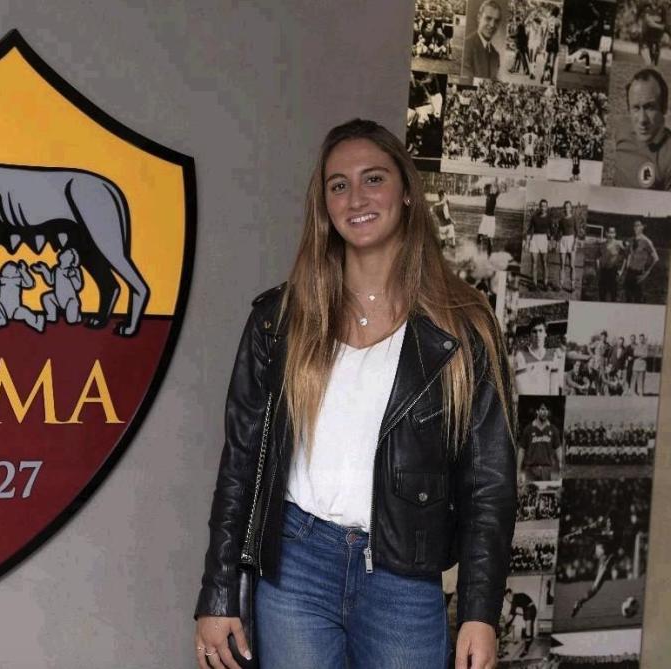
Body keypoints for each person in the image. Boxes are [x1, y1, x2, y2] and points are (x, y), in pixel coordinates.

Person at [194, 120, 517, 669]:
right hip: (295, 569)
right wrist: (219, 591)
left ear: (406, 192)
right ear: (324, 205)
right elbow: (240, 464)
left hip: (403, 579)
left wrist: (479, 613)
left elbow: (490, 483)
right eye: (338, 185)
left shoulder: (464, 326)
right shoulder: (280, 319)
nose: (356, 198)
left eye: (374, 179)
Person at [612, 68, 671, 191]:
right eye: (636, 108)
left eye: (650, 107)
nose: (642, 119)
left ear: (664, 108)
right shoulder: (622, 129)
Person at [513, 316, 563, 395]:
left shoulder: (553, 355)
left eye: (540, 331)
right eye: (534, 331)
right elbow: (522, 389)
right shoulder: (521, 355)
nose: (537, 335)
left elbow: (554, 388)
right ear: (530, 335)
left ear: (545, 333)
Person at [517, 402, 562, 482]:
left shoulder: (553, 429)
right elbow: (522, 450)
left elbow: (558, 449)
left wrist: (562, 467)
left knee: (546, 490)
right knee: (529, 490)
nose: (544, 412)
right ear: (537, 411)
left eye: (547, 410)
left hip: (546, 470)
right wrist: (518, 471)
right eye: (542, 409)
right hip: (530, 470)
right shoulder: (528, 429)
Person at [464, 0, 504, 80]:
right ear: (479, 17)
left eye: (496, 21)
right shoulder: (466, 46)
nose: (492, 25)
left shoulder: (495, 55)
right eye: (488, 18)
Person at [623, 220, 659, 303]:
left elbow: (656, 258)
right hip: (629, 273)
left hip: (639, 274)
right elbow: (627, 253)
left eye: (638, 225)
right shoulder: (631, 240)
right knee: (628, 298)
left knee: (637, 299)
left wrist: (646, 273)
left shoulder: (647, 241)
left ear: (642, 227)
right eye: (635, 226)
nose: (636, 227)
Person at [526, 199, 552, 291]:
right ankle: (534, 284)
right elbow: (529, 230)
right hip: (535, 239)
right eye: (541, 206)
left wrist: (550, 242)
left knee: (544, 263)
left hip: (544, 239)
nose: (543, 208)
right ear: (539, 207)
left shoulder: (549, 218)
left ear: (547, 207)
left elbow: (552, 231)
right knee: (534, 263)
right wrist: (527, 242)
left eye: (545, 206)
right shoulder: (534, 217)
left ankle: (545, 283)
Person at [502, 588, 538, 658]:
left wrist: (505, 625)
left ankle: (526, 650)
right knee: (530, 627)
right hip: (532, 609)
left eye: (509, 596)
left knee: (528, 630)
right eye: (506, 598)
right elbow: (513, 613)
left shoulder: (515, 599)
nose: (508, 599)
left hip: (529, 610)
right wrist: (507, 624)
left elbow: (511, 615)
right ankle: (530, 640)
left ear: (512, 593)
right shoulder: (517, 597)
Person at [595, 226, 625, 302]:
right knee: (602, 295)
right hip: (603, 272)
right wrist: (598, 268)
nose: (611, 235)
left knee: (613, 296)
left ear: (615, 234)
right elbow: (597, 257)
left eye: (612, 233)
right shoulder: (602, 245)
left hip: (613, 272)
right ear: (606, 233)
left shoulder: (619, 245)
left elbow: (626, 257)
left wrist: (621, 270)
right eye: (609, 232)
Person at [556, 200, 577, 293]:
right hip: (563, 241)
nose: (567, 208)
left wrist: (575, 243)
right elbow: (559, 232)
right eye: (565, 207)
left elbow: (577, 232)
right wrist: (557, 242)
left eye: (568, 207)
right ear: (564, 208)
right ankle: (560, 284)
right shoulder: (561, 220)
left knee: (572, 265)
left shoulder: (574, 218)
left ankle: (572, 285)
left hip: (571, 240)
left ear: (571, 208)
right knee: (562, 265)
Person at [478, 180, 498, 254]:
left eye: (485, 190)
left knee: (490, 238)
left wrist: (496, 184)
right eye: (484, 190)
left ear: (488, 190)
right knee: (479, 235)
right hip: (485, 217)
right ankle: (478, 252)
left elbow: (498, 192)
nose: (484, 191)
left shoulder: (493, 196)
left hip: (491, 219)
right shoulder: (488, 196)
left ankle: (488, 256)